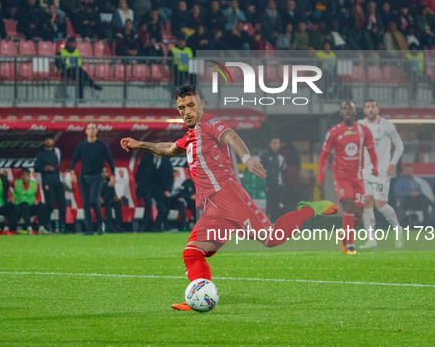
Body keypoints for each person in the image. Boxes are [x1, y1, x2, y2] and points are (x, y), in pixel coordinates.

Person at [120, 84, 339, 311]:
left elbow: (230, 135)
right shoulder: (190, 136)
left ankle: (308, 209)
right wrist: (140, 145)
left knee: (272, 239)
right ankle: (201, 297)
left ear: (201, 105)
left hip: (229, 196)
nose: (187, 111)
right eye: (181, 107)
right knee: (192, 253)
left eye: (191, 105)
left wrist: (246, 157)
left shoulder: (210, 123)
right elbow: (167, 148)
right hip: (213, 208)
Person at [316, 101, 379, 255]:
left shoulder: (364, 131)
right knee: (349, 206)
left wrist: (376, 167)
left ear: (355, 112)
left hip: (357, 176)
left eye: (350, 109)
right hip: (341, 176)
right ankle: (350, 245)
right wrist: (320, 176)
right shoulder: (333, 132)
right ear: (340, 113)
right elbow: (324, 156)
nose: (347, 112)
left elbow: (371, 151)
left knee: (358, 212)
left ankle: (343, 233)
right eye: (344, 109)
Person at [359, 100, 405, 249]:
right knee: (366, 203)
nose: (370, 109)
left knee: (380, 205)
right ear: (364, 111)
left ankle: (398, 228)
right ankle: (371, 240)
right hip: (365, 170)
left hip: (382, 170)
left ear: (378, 109)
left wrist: (393, 163)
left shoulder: (386, 125)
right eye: (367, 107)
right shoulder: (360, 125)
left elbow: (399, 146)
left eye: (373, 106)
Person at [71, 122, 116, 235]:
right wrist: (72, 172)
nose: (91, 130)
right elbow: (74, 159)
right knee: (86, 203)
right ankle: (89, 229)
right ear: (86, 131)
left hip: (97, 177)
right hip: (84, 178)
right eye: (89, 128)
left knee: (93, 200)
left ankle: (100, 224)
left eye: (93, 128)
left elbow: (110, 160)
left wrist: (113, 175)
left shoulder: (102, 145)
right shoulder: (81, 145)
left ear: (96, 131)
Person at [34, 135, 67, 233]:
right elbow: (36, 168)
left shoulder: (57, 152)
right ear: (44, 142)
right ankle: (47, 224)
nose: (48, 141)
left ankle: (62, 225)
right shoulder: (40, 154)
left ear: (53, 141)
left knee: (62, 203)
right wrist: (45, 168)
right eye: (46, 140)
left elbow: (60, 164)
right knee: (49, 204)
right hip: (47, 180)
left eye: (50, 139)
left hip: (57, 180)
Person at [135, 153, 174, 232]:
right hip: (146, 187)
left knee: (162, 208)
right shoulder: (146, 159)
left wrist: (168, 189)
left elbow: (170, 177)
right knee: (148, 205)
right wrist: (139, 184)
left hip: (159, 189)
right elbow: (139, 172)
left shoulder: (166, 161)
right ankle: (143, 226)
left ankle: (156, 226)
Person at [11, 168, 48, 235]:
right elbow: (7, 188)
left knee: (42, 206)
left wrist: (38, 200)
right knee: (24, 205)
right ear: (21, 176)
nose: (25, 177)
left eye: (27, 175)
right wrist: (11, 198)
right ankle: (29, 227)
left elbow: (38, 195)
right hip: (20, 206)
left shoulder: (35, 184)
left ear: (30, 176)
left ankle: (41, 227)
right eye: (23, 175)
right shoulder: (16, 183)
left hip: (31, 206)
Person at [261, 138, 284, 221]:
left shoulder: (281, 157)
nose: (275, 145)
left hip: (278, 185)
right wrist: (265, 184)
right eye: (274, 143)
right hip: (268, 185)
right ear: (270, 144)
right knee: (268, 205)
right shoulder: (265, 157)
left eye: (277, 143)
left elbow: (281, 171)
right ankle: (267, 222)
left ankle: (275, 223)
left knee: (277, 205)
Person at [100, 166, 123, 233]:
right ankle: (109, 226)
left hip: (109, 199)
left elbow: (112, 192)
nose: (104, 174)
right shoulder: (98, 181)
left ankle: (118, 225)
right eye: (103, 172)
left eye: (106, 172)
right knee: (108, 204)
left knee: (117, 204)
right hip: (101, 200)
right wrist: (99, 197)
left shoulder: (109, 181)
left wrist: (115, 196)